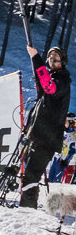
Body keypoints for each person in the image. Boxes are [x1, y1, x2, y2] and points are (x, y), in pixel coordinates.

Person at [22, 45, 72, 207]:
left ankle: (26, 210)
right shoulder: (52, 77)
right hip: (37, 135)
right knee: (29, 175)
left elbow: (49, 87)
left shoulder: (62, 80)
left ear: (62, 61)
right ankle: (27, 207)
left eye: (55, 56)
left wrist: (36, 57)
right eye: (49, 56)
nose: (52, 58)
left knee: (31, 175)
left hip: (46, 139)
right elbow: (43, 83)